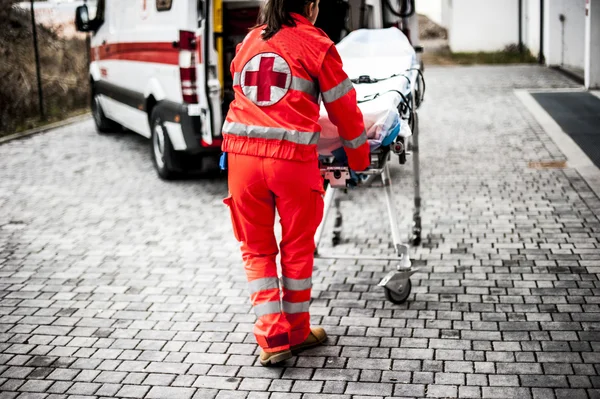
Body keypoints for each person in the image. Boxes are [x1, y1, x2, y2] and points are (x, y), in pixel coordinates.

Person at [222, 0, 371, 367]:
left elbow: (242, 97)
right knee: (296, 247)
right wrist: (359, 160)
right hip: (291, 164)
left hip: (242, 161)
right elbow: (345, 109)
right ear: (311, 5)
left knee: (256, 250)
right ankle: (298, 330)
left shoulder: (249, 42)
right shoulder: (317, 44)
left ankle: (273, 338)